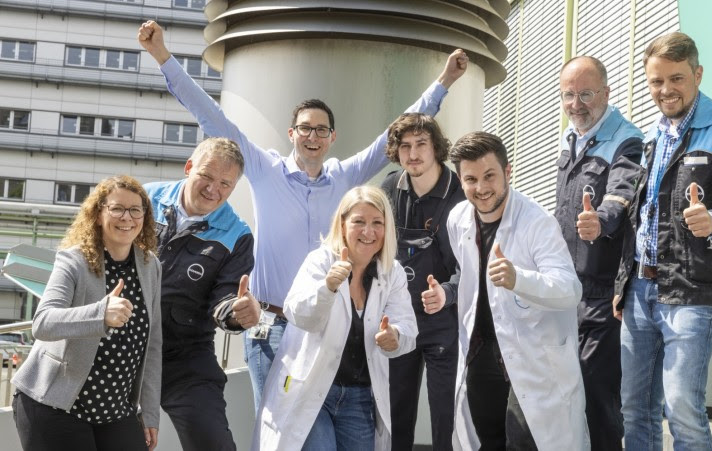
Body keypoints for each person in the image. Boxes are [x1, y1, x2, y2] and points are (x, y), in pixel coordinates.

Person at [137, 20, 468, 410]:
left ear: (332, 138)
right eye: (305, 129)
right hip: (271, 326)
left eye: (321, 130)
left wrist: (444, 81)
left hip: (326, 325)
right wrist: (162, 55)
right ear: (291, 133)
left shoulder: (346, 176)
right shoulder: (265, 169)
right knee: (275, 427)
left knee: (319, 427)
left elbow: (394, 133)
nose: (313, 136)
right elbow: (212, 117)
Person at [613, 32, 712, 450]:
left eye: (676, 78)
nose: (666, 90)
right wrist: (625, 282)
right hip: (641, 290)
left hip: (697, 291)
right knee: (635, 409)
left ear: (697, 74)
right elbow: (641, 217)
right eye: (656, 81)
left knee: (682, 408)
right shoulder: (651, 138)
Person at [446, 132, 590, 450]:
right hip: (481, 354)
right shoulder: (457, 220)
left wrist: (518, 280)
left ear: (507, 172)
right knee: (487, 442)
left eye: (489, 176)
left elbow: (570, 290)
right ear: (460, 180)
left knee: (524, 442)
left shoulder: (537, 222)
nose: (481, 188)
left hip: (532, 355)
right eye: (471, 179)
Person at [252, 186, 417, 450]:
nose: (368, 232)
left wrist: (394, 335)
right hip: (311, 390)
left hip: (359, 396)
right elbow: (297, 313)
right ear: (342, 224)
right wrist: (327, 287)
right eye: (359, 222)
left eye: (377, 223)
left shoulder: (391, 272)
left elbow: (407, 325)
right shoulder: (320, 261)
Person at [12, 175, 162, 451]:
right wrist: (100, 314)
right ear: (98, 214)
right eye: (117, 208)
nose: (126, 217)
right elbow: (43, 323)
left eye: (135, 209)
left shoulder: (149, 264)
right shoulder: (74, 260)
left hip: (115, 410)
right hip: (55, 404)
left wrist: (150, 412)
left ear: (145, 216)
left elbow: (152, 344)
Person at [145, 137, 260, 451]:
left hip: (185, 356)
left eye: (225, 183)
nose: (213, 189)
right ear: (188, 167)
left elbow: (225, 299)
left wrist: (237, 312)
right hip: (125, 346)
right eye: (206, 176)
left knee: (214, 442)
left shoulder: (238, 235)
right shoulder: (144, 199)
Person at [554, 56, 643, 450]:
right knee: (564, 396)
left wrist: (600, 221)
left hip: (604, 295)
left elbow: (622, 194)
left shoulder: (628, 139)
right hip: (567, 289)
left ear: (606, 93)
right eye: (568, 95)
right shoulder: (569, 136)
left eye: (586, 95)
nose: (576, 105)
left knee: (597, 398)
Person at [379, 113, 463, 450]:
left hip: (445, 319)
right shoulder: (389, 188)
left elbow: (473, 266)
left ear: (436, 147)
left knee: (447, 415)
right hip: (401, 318)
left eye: (421, 144)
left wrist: (447, 293)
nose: (412, 154)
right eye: (405, 146)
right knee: (396, 413)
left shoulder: (460, 193)